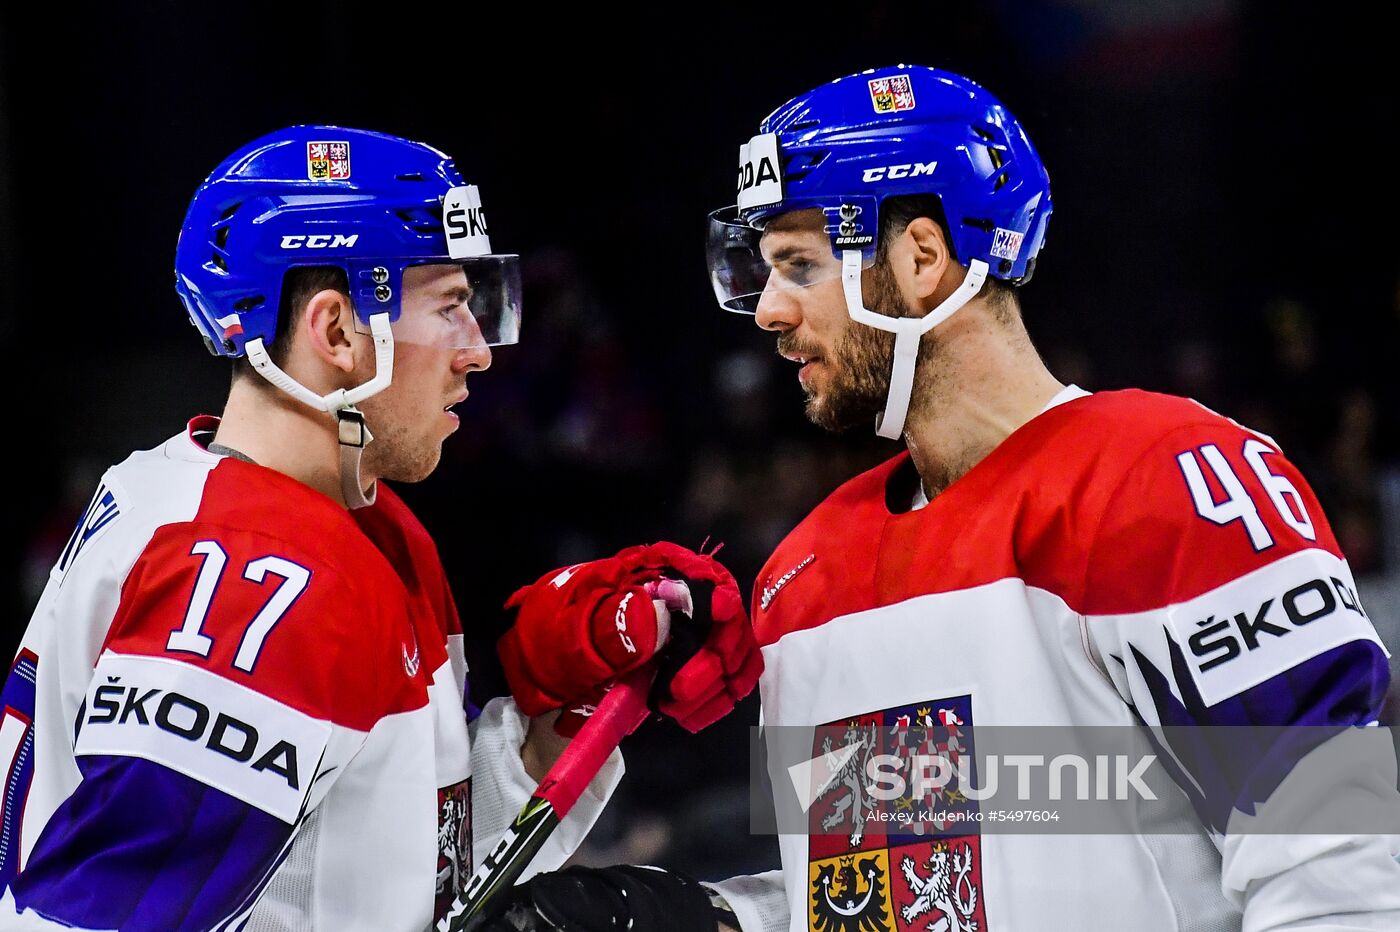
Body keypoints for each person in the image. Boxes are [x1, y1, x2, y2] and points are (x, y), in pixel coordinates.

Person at [481, 65, 1400, 932]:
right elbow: (889, 889)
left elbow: (1338, 856)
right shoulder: (803, 580)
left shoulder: (1170, 477)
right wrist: (714, 917)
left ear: (922, 257)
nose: (767, 310)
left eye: (798, 264)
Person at [0, 126, 759, 931]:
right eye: (451, 306)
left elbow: (404, 872)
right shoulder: (260, 573)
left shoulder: (332, 522)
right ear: (335, 333)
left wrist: (558, 720)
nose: (479, 353)